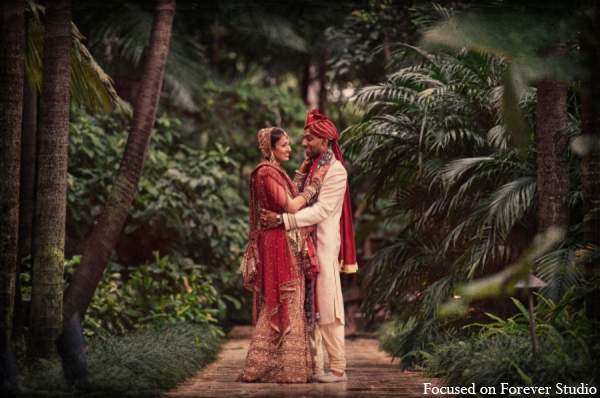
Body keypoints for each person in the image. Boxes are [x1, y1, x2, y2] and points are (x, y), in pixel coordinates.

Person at [260, 110, 358, 383]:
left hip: (322, 247)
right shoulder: (309, 169)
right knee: (307, 309)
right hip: (302, 247)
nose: (303, 144)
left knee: (328, 308)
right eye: (303, 139)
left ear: (325, 141)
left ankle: (337, 368)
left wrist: (283, 220)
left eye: (309, 138)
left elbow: (322, 210)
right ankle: (315, 367)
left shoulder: (335, 171)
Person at [237, 127, 329, 383]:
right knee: (285, 298)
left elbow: (285, 203)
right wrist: (315, 184)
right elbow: (290, 205)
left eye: (289, 144)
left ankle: (283, 366)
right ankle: (281, 367)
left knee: (285, 298)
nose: (290, 149)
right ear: (271, 148)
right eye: (284, 145)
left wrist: (301, 175)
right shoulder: (266, 172)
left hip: (279, 238)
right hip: (279, 242)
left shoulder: (272, 172)